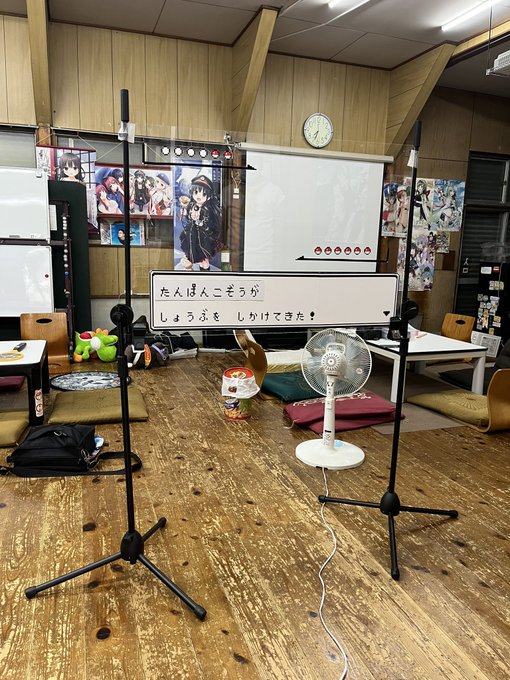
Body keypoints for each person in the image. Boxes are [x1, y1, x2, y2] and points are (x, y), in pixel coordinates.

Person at [179, 174, 221, 271]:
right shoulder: (191, 205)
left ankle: (204, 274)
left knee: (204, 260)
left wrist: (199, 222)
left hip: (203, 238)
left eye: (203, 194)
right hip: (191, 234)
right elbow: (188, 218)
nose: (198, 196)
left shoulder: (207, 209)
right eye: (196, 192)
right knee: (192, 255)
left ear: (208, 197)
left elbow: (207, 224)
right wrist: (187, 214)